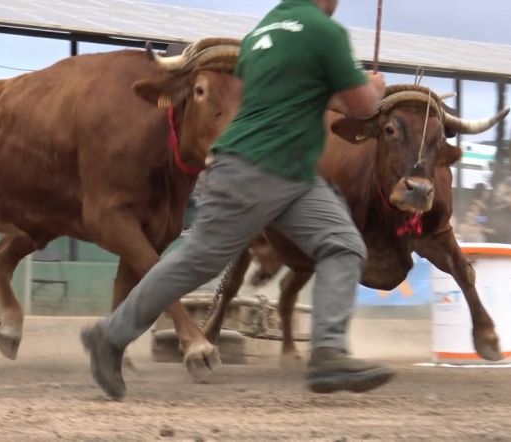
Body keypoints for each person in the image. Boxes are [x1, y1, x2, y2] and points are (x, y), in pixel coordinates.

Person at [81, 0, 391, 400]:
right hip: (261, 167)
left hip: (289, 172)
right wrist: (374, 88)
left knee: (343, 244)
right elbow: (364, 107)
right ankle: (109, 336)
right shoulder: (326, 32)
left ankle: (328, 352)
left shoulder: (263, 31)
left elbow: (291, 93)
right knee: (199, 258)